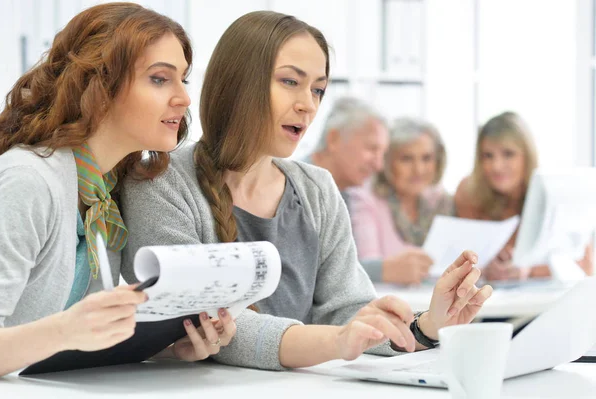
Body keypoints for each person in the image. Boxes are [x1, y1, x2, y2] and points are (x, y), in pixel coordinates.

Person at [121, 10, 492, 371]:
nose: (307, 104)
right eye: (289, 82)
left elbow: (350, 312)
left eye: (317, 89)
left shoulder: (317, 189)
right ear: (238, 83)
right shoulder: (159, 183)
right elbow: (216, 324)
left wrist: (425, 326)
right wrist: (335, 342)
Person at [0, 3, 235, 378]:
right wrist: (64, 331)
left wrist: (170, 350)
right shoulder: (28, 181)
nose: (185, 99)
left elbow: (72, 347)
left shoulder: (103, 192)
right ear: (99, 87)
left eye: (183, 80)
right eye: (160, 79)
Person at [455, 111, 593, 280]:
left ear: (527, 156)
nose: (496, 166)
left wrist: (528, 271)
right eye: (488, 156)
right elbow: (462, 256)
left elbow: (584, 264)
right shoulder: (470, 192)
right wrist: (483, 269)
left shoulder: (552, 193)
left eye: (508, 154)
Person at [349, 118, 454, 284]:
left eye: (426, 158)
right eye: (406, 159)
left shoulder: (440, 200)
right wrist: (390, 270)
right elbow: (363, 269)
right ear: (387, 161)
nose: (418, 169)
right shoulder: (365, 199)